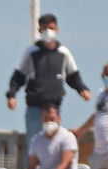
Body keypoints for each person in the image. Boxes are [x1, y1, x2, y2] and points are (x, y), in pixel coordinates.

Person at [6, 14, 91, 144]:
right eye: (44, 28)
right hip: (34, 108)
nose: (48, 31)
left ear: (57, 29)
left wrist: (82, 89)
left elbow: (73, 75)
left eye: (51, 28)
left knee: (54, 145)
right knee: (34, 145)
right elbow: (19, 75)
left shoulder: (64, 53)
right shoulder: (31, 52)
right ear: (39, 30)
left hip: (55, 108)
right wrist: (12, 95)